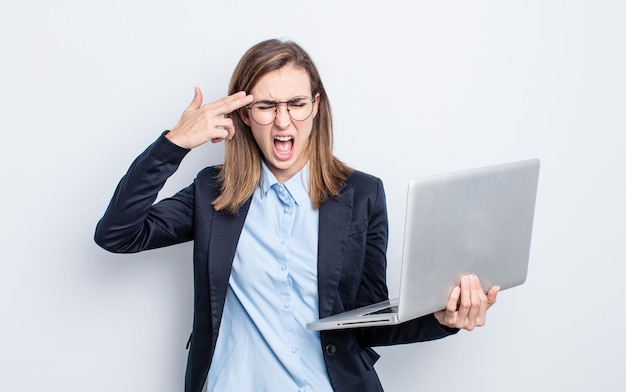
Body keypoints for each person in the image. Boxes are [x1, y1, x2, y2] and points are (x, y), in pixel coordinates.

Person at [94, 38, 499, 392]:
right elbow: (117, 233)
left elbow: (369, 320)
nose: (283, 120)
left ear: (316, 106)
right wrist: (175, 144)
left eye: (296, 104)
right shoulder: (212, 193)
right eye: (267, 105)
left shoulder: (362, 195)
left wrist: (443, 319)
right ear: (245, 114)